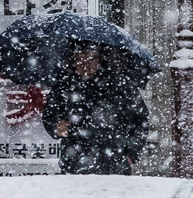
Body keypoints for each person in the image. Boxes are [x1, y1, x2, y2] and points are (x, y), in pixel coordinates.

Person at [45, 44, 149, 175]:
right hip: (74, 164)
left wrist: (131, 154)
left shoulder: (119, 84)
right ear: (73, 60)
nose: (85, 64)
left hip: (113, 164)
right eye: (79, 59)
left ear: (100, 59)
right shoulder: (64, 85)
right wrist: (56, 127)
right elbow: (49, 114)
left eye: (91, 59)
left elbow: (140, 120)